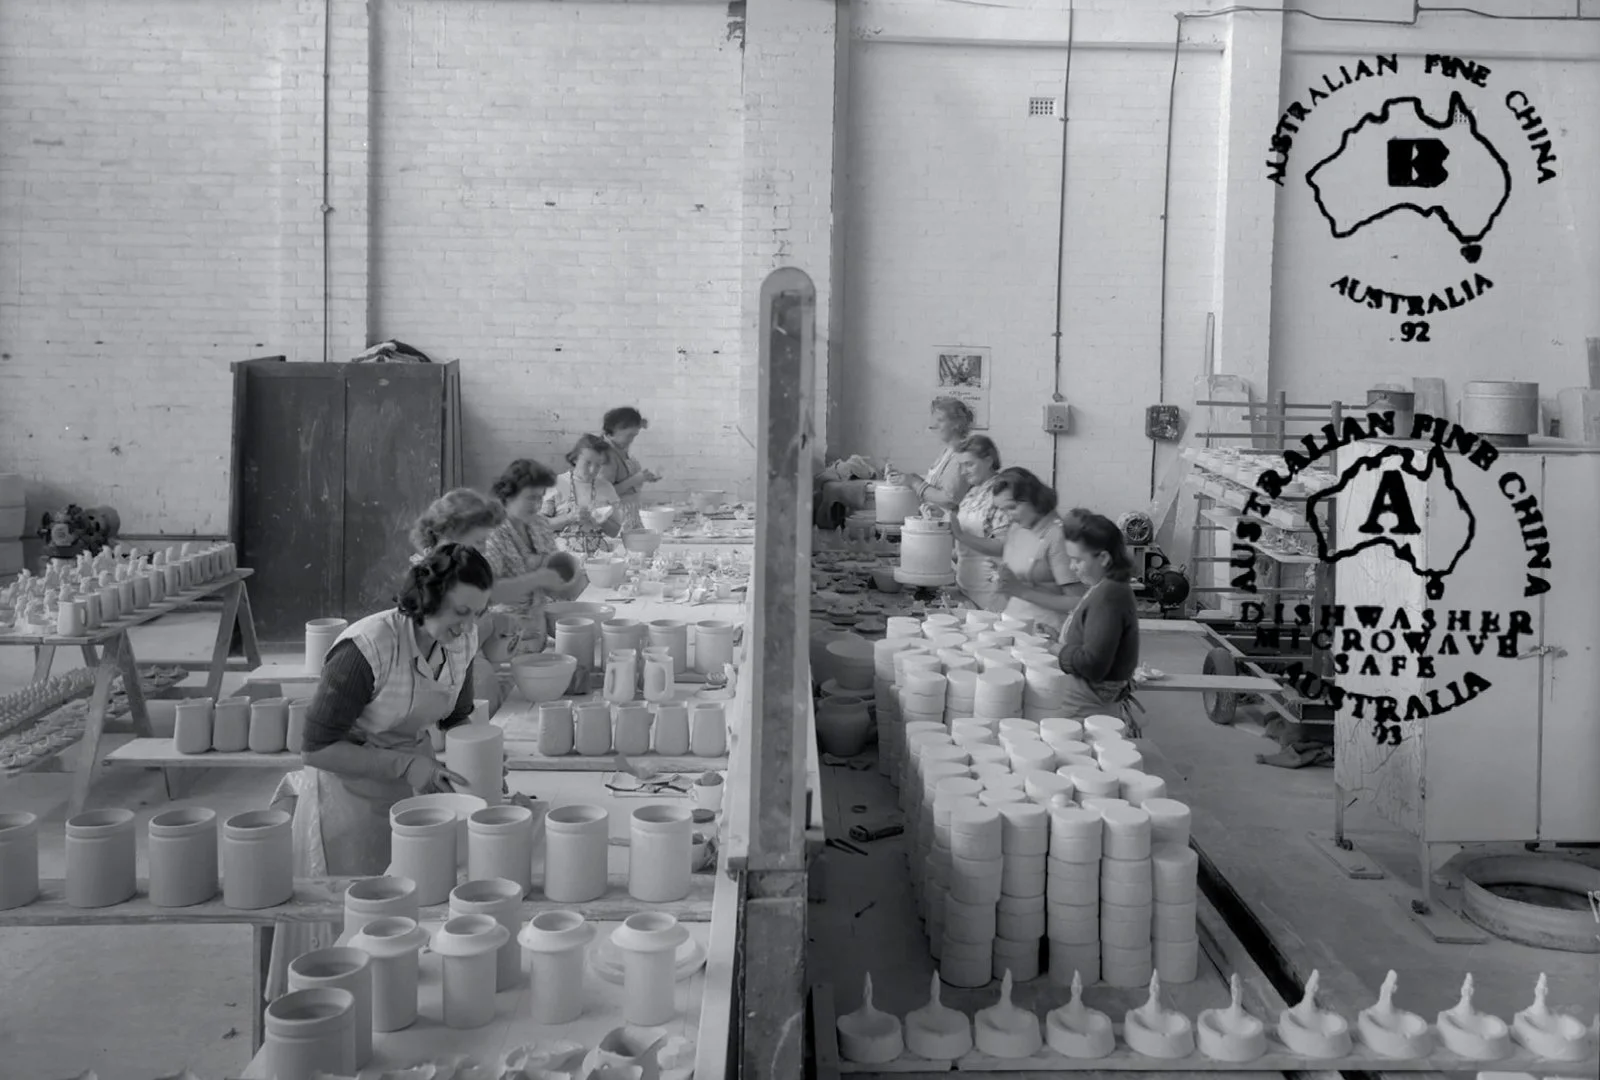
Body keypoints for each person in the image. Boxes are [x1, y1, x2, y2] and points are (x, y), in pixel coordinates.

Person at [409, 489, 540, 715]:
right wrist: (490, 624)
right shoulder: (430, 579)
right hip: (439, 688)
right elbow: (440, 647)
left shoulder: (464, 569)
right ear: (450, 534)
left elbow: (477, 635)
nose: (485, 548)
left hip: (471, 668)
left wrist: (501, 628)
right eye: (480, 541)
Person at [482, 458, 587, 659]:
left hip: (536, 631)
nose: (537, 505)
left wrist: (569, 581)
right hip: (502, 635)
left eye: (540, 498)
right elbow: (487, 594)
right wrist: (537, 578)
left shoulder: (539, 524)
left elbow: (553, 584)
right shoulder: (491, 532)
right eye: (531, 498)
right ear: (509, 494)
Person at [1056, 513, 1141, 723]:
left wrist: (1060, 651)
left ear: (1103, 558)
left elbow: (1093, 664)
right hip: (1087, 700)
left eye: (1077, 560)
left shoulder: (1109, 595)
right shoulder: (1103, 586)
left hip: (1088, 706)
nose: (1071, 567)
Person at [990, 467, 1084, 634]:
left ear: (1033, 498)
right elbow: (1011, 584)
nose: (1008, 516)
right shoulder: (1016, 528)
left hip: (1043, 631)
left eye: (1012, 508)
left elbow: (1077, 601)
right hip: (1011, 622)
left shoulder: (1056, 535)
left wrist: (1022, 591)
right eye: (1002, 510)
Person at [946, 435, 1010, 611]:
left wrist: (960, 536)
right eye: (961, 466)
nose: (963, 471)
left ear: (989, 460)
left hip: (990, 590)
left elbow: (1003, 546)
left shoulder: (1001, 493)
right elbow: (966, 539)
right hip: (966, 584)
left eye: (969, 464)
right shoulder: (972, 492)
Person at [884, 396, 974, 512]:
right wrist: (906, 478)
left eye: (940, 420)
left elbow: (950, 499)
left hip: (953, 526)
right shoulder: (947, 452)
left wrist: (915, 483)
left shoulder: (961, 453)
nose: (933, 426)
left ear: (957, 424)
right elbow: (935, 488)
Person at [544, 433, 625, 556]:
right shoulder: (556, 484)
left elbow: (614, 532)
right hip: (563, 561)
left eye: (598, 465)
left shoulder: (606, 487)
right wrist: (569, 517)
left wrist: (602, 521)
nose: (593, 470)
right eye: (588, 463)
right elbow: (540, 525)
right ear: (575, 459)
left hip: (598, 560)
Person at [596, 406, 662, 530]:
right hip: (616, 520)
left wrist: (645, 477)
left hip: (629, 515)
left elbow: (626, 478)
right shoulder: (606, 455)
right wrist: (636, 479)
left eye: (634, 436)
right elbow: (603, 496)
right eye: (629, 435)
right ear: (616, 429)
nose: (631, 440)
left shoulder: (619, 448)